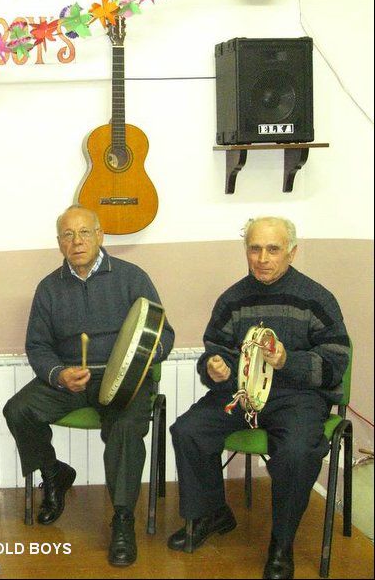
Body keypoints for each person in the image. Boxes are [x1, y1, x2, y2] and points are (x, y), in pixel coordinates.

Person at [168, 217, 351, 580]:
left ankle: (281, 544)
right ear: (246, 251)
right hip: (241, 392)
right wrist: (214, 368)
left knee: (297, 451)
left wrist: (288, 361)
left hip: (297, 397)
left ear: (292, 252)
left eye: (273, 249)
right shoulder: (232, 299)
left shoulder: (317, 298)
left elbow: (335, 363)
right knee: (188, 429)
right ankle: (212, 513)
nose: (262, 258)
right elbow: (214, 353)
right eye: (255, 249)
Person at [2, 204, 175, 567]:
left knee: (126, 427)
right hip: (72, 378)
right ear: (59, 243)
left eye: (84, 232)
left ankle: (123, 519)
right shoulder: (49, 288)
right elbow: (37, 346)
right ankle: (54, 473)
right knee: (18, 410)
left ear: (100, 235)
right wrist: (58, 374)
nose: (76, 241)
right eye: (68, 234)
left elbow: (164, 335)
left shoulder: (131, 277)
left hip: (125, 380)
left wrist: (139, 361)